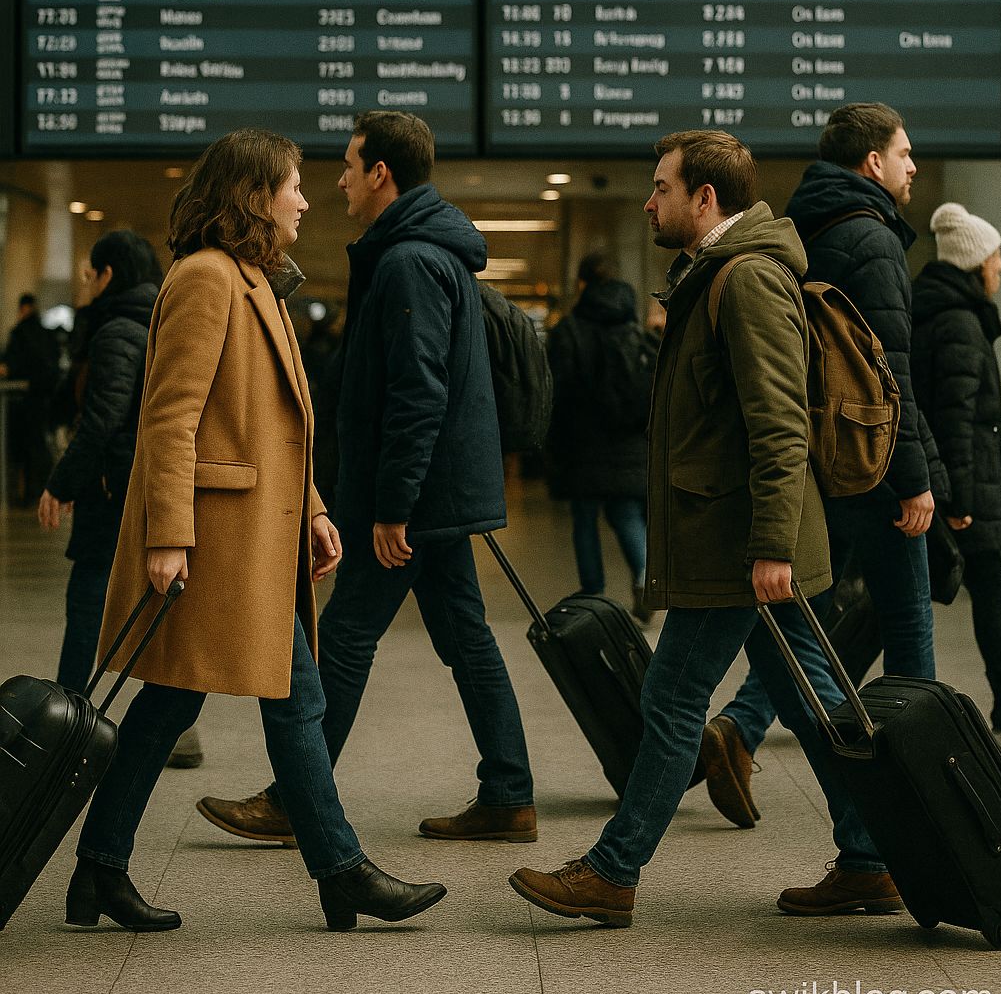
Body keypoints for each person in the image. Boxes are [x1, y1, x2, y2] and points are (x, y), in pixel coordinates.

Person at [509, 131, 900, 927]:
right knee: (809, 697)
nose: (650, 203)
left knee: (675, 694)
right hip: (740, 540)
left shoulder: (746, 279)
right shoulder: (717, 275)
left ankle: (614, 872)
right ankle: (869, 858)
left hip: (741, 546)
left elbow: (780, 423)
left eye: (661, 188)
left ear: (705, 199)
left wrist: (770, 546)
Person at [65, 129, 446, 934]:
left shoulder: (253, 281)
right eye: (293, 186)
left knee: (192, 703)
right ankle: (341, 872)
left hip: (252, 539)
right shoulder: (206, 280)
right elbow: (170, 418)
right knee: (280, 701)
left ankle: (99, 867)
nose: (305, 199)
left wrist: (310, 507)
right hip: (215, 542)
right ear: (253, 195)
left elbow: (277, 425)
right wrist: (167, 536)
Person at [197, 111, 536, 849]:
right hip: (440, 492)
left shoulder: (409, 260)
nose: (339, 183)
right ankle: (509, 793)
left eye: (349, 167)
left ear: (381, 172)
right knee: (466, 638)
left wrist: (392, 507)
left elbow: (417, 394)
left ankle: (295, 799)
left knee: (347, 636)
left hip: (415, 495)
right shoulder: (426, 251)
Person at [700, 103, 950, 828]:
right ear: (872, 161)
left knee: (824, 610)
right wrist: (915, 479)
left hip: (823, 460)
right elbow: (885, 373)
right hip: (871, 462)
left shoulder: (803, 227)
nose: (912, 167)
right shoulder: (873, 240)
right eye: (904, 154)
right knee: (907, 622)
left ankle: (744, 726)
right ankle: (919, 789)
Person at [912, 203, 1001, 732]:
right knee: (983, 593)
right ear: (975, 262)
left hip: (960, 480)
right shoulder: (959, 323)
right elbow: (954, 414)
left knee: (972, 591)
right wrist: (958, 499)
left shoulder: (951, 315)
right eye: (995, 256)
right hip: (966, 484)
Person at [38, 231, 162, 693]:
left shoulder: (116, 332)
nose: (86, 281)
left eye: (91, 272)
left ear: (108, 275)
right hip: (142, 482)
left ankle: (65, 719)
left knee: (87, 604)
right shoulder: (155, 322)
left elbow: (101, 420)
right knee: (148, 608)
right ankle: (176, 729)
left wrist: (62, 482)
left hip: (113, 488)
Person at [546, 251, 654, 621]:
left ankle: (593, 592)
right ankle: (644, 578)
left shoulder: (569, 330)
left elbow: (557, 392)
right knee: (626, 512)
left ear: (581, 284)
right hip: (630, 439)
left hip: (584, 440)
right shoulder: (632, 326)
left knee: (585, 517)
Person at [1, 292, 60, 504]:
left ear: (23, 308)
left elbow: (10, 365)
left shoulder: (19, 333)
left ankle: (23, 493)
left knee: (22, 448)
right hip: (44, 398)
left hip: (22, 400)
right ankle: (40, 489)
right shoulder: (46, 334)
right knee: (39, 444)